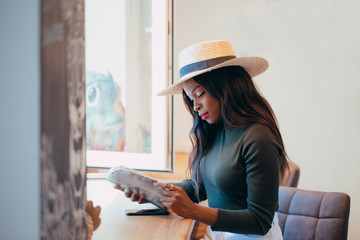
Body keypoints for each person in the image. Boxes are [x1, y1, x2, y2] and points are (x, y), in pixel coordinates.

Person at [116, 40, 289, 239]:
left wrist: (192, 211)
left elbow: (260, 221)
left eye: (200, 94)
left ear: (225, 86)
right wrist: (155, 192)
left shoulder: (259, 137)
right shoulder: (216, 129)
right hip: (221, 235)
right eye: (191, 99)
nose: (195, 106)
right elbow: (204, 186)